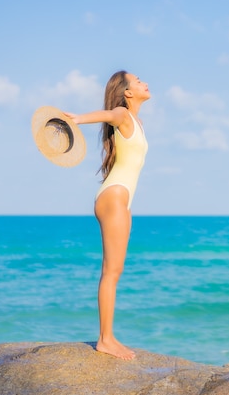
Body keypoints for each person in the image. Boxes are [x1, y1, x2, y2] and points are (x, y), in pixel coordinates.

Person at [65, 70, 150, 360]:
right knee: (110, 272)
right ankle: (105, 339)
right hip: (113, 197)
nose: (144, 83)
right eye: (138, 81)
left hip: (121, 200)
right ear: (127, 92)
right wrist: (76, 119)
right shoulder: (123, 114)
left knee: (116, 271)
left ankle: (108, 336)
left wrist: (127, 208)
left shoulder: (136, 122)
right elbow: (107, 114)